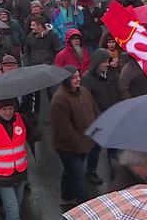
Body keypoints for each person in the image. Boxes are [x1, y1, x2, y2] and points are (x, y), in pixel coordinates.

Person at [50, 66, 99, 206]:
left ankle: (66, 196)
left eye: (78, 76)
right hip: (68, 147)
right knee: (79, 176)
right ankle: (86, 208)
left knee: (69, 171)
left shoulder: (84, 91)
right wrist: (79, 144)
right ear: (66, 80)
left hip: (85, 142)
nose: (78, 79)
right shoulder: (59, 100)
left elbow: (94, 110)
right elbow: (64, 129)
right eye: (74, 77)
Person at [81, 48, 121, 184]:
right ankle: (90, 171)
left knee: (114, 148)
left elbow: (118, 92)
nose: (107, 64)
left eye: (108, 61)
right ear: (97, 63)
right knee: (95, 149)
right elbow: (86, 101)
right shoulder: (87, 79)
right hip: (97, 120)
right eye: (104, 62)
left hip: (113, 117)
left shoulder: (112, 74)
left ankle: (115, 173)